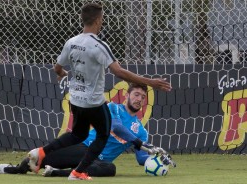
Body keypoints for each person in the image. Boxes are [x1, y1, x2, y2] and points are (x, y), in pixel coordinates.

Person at [27, 3, 172, 180]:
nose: (139, 98)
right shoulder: (99, 46)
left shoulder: (71, 42)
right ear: (98, 20)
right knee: (103, 135)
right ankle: (77, 172)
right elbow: (118, 72)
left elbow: (57, 67)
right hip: (93, 102)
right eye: (102, 19)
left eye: (143, 96)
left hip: (76, 100)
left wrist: (62, 73)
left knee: (77, 134)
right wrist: (151, 82)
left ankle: (42, 152)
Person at [0, 83, 174, 177]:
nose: (139, 99)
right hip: (84, 148)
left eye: (143, 97)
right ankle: (16, 169)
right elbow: (116, 127)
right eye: (136, 95)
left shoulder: (141, 131)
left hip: (98, 161)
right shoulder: (112, 108)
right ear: (127, 95)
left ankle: (57, 172)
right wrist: (141, 143)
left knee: (110, 169)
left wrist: (156, 157)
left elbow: (142, 159)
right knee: (39, 157)